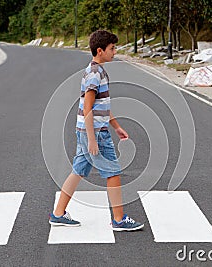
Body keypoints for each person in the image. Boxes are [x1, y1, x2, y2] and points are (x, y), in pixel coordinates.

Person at [49, 30, 144, 231]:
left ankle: (58, 214)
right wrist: (92, 139)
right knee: (113, 173)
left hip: (90, 130)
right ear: (99, 50)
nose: (115, 52)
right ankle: (118, 219)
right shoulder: (94, 73)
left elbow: (102, 106)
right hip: (95, 133)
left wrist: (116, 126)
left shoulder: (97, 71)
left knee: (78, 171)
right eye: (112, 48)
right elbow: (88, 108)